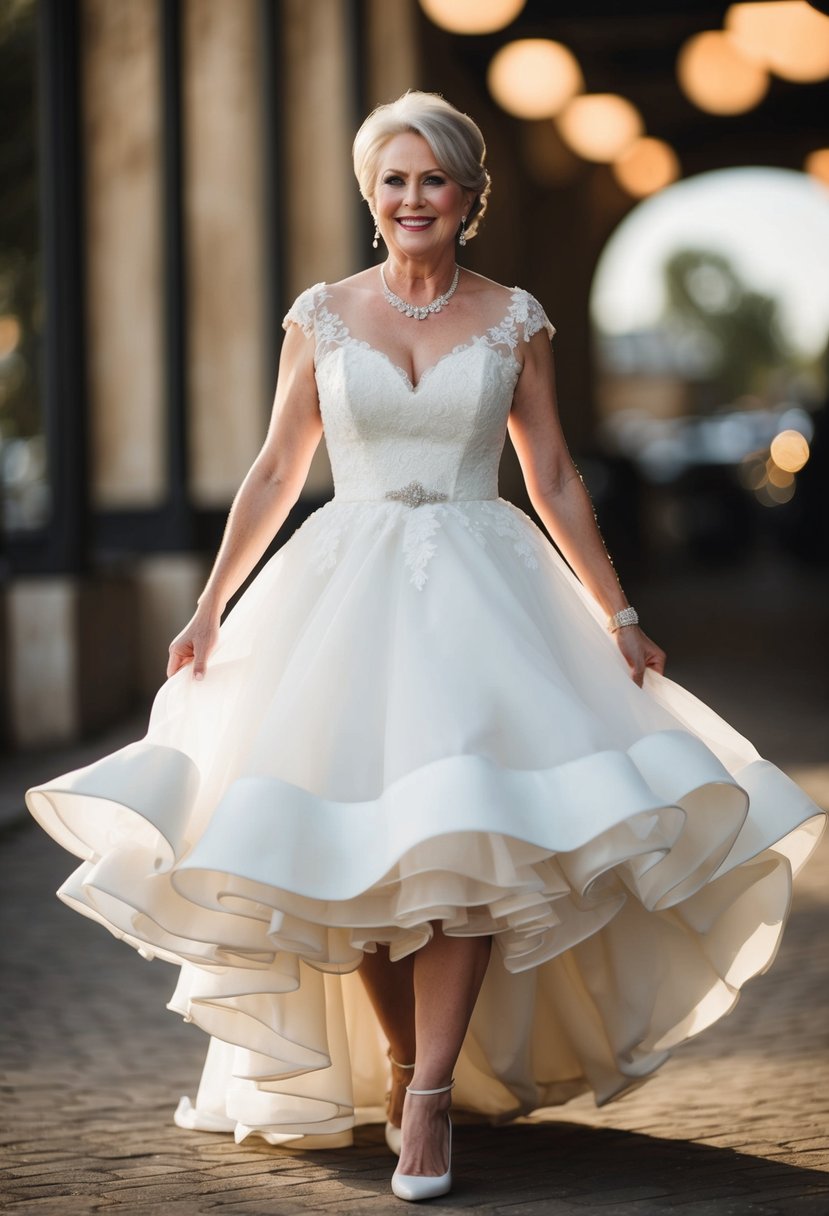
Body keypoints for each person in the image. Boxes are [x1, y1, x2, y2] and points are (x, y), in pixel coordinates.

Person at [27, 92, 825, 1203]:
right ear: (372, 195)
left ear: (467, 196)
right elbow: (273, 469)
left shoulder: (514, 318)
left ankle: (432, 1095)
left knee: (461, 852)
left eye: (433, 179)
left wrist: (617, 612)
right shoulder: (322, 315)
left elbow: (547, 475)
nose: (413, 198)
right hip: (338, 593)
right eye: (394, 179)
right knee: (353, 852)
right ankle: (404, 1065)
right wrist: (211, 604)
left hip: (482, 594)